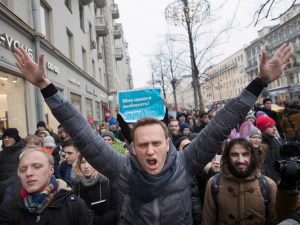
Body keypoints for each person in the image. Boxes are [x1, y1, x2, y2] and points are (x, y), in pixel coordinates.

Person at [13, 43, 292, 224]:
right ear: (132, 148)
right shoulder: (122, 169)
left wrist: (260, 82)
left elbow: (220, 124)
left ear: (168, 145)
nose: (150, 150)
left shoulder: (185, 163)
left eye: (156, 143)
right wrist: (45, 85)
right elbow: (81, 132)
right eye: (142, 144)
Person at [201, 122, 277, 225]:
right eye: (234, 155)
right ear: (227, 157)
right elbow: (208, 220)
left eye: (245, 154)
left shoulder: (268, 185)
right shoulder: (214, 183)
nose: (240, 160)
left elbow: (275, 219)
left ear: (252, 156)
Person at [0, 147, 92, 224]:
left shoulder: (75, 206)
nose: (28, 173)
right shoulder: (8, 209)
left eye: (36, 166)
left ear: (51, 170)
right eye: (23, 169)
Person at [72, 154, 118, 225]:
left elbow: (116, 209)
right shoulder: (76, 184)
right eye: (82, 162)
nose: (86, 166)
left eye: (90, 162)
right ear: (78, 164)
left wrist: (96, 220)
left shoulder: (108, 182)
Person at [256, 113, 283, 184]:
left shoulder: (278, 141)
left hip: (278, 178)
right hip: (266, 180)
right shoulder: (258, 144)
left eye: (274, 125)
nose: (274, 129)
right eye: (271, 126)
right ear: (262, 128)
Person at [0, 128, 24, 203]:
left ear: (15, 139)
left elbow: (20, 173)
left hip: (15, 189)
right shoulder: (1, 154)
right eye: (4, 137)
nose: (6, 139)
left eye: (9, 137)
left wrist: (4, 184)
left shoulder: (22, 153)